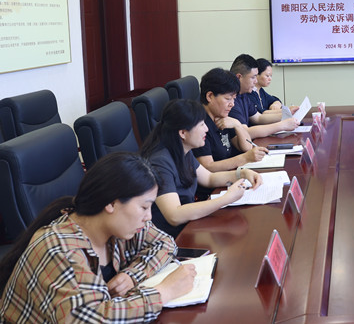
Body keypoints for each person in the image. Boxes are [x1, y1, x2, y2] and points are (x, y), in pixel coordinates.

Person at [0, 152, 196, 323]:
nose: (149, 217)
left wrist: (132, 276)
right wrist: (164, 292)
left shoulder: (117, 227)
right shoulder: (60, 249)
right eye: (144, 207)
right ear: (111, 203)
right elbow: (89, 319)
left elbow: (165, 243)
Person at [141, 98, 264, 238]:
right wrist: (226, 199)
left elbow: (209, 178)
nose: (206, 129)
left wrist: (242, 174)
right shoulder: (159, 162)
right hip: (171, 239)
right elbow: (174, 215)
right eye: (201, 125)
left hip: (189, 226)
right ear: (183, 133)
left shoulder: (183, 149)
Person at [194, 68, 268, 172]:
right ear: (210, 96)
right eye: (228, 99)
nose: (232, 104)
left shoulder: (222, 116)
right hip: (219, 179)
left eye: (234, 99)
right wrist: (245, 158)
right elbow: (207, 167)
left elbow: (247, 147)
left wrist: (237, 125)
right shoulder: (199, 124)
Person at [229, 54, 299, 137]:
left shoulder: (243, 95)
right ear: (239, 77)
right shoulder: (230, 100)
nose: (255, 81)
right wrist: (282, 125)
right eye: (253, 77)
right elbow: (245, 133)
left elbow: (258, 118)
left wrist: (286, 115)